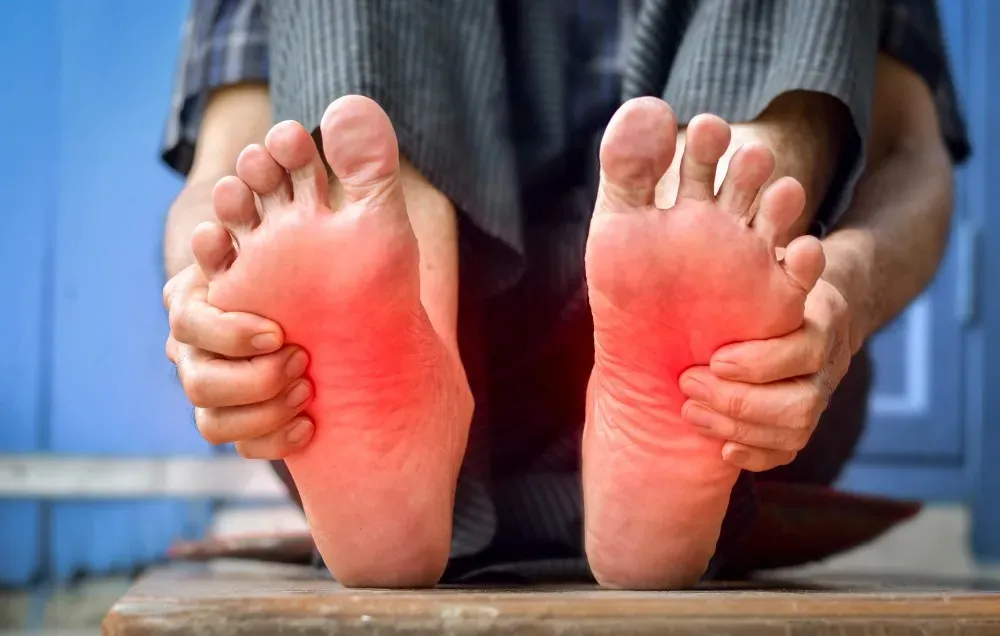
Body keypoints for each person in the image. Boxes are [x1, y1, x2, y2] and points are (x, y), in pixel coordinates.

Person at [161, 0, 969, 589]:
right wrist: (205, 304)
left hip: (763, 405)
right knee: (336, 191)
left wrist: (843, 290)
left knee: (724, 244)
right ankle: (407, 319)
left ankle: (719, 231)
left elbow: (907, 156)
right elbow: (223, 180)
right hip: (416, 382)